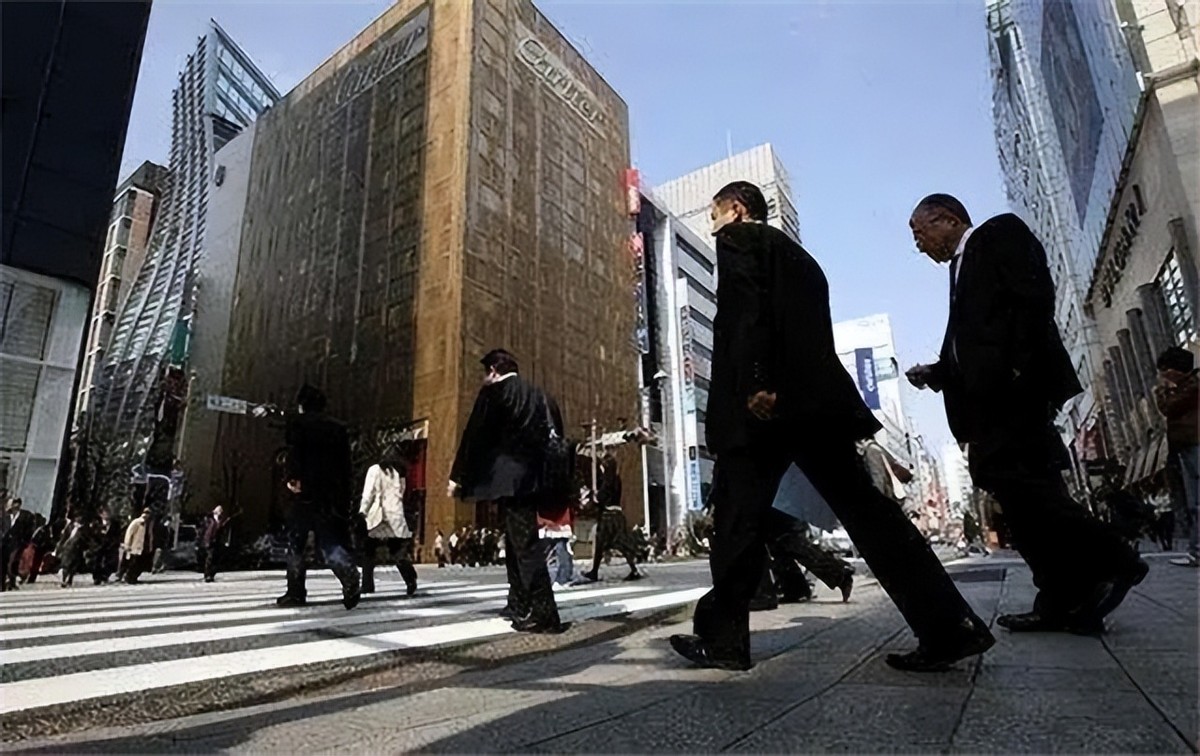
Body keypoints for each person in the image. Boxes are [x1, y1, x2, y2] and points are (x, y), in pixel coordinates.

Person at [670, 182, 993, 673]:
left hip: (762, 411)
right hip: (816, 408)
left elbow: (748, 314)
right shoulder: (803, 261)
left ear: (735, 210)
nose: (712, 226)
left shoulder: (739, 240)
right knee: (872, 517)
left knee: (735, 520)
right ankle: (950, 626)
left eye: (713, 215)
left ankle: (723, 641)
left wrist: (757, 380)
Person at [905, 193, 1147, 633]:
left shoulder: (998, 233)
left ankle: (1115, 558)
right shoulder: (960, 269)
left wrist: (1017, 371)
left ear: (947, 219)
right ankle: (1063, 598)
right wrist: (937, 372)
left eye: (920, 233)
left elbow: (1034, 302)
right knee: (1020, 503)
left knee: (1026, 491)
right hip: (990, 403)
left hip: (1014, 397)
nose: (919, 246)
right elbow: (975, 342)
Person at [449, 348, 567, 634]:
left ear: (493, 370)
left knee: (525, 546)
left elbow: (474, 435)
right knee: (516, 542)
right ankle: (518, 601)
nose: (484, 378)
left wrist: (458, 477)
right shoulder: (537, 393)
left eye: (485, 373)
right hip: (533, 478)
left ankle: (545, 613)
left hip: (506, 479)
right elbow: (554, 433)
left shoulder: (494, 393)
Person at [278, 384, 361, 609]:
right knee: (329, 541)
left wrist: (292, 478)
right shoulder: (339, 428)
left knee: (296, 544)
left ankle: (295, 592)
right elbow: (346, 468)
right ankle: (346, 569)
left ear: (302, 404)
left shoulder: (298, 423)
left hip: (304, 493)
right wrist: (346, 497)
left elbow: (294, 453)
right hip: (332, 495)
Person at [1153, 346, 1198, 567]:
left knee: (1197, 501)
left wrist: (1162, 391)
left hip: (1194, 443)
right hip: (1187, 445)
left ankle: (1197, 551)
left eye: (1164, 371)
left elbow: (1168, 408)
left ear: (1174, 370)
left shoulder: (1192, 387)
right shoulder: (1186, 387)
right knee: (1194, 501)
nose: (1162, 376)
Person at [358, 444, 418, 596]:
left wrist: (362, 511)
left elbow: (368, 493)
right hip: (395, 515)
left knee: (368, 550)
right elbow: (401, 495)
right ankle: (410, 578)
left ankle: (367, 584)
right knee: (396, 550)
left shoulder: (375, 470)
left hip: (378, 515)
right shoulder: (400, 474)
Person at [582, 454, 642, 582]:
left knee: (600, 544)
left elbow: (601, 498)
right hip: (618, 515)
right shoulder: (617, 479)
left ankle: (594, 572)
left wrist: (594, 496)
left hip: (608, 517)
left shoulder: (607, 481)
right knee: (622, 544)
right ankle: (634, 569)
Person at [1, 497, 36, 591]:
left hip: (18, 543)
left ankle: (12, 581)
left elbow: (30, 529)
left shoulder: (25, 516)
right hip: (5, 544)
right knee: (3, 564)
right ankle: (3, 585)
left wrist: (25, 540)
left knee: (11, 562)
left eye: (14, 503)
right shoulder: (5, 518)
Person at [199, 505, 234, 582]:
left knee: (216, 559)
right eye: (219, 511)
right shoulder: (209, 519)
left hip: (218, 542)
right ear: (215, 511)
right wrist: (202, 539)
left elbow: (224, 532)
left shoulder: (222, 521)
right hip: (209, 541)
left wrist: (226, 541)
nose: (221, 512)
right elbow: (203, 530)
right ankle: (207, 575)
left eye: (221, 511)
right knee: (210, 558)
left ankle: (211, 575)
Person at [88, 507, 122, 584]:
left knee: (111, 562)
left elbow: (117, 534)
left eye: (108, 513)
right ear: (101, 514)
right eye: (105, 513)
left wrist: (115, 543)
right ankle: (97, 578)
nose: (107, 515)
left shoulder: (115, 523)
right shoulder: (96, 523)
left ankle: (105, 576)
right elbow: (92, 534)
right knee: (96, 562)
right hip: (98, 545)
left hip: (110, 546)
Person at [121, 508, 156, 584]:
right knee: (134, 563)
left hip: (145, 547)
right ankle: (129, 577)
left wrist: (150, 546)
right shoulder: (137, 522)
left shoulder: (149, 524)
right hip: (136, 546)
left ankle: (134, 577)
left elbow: (150, 536)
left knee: (141, 564)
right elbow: (129, 533)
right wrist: (127, 544)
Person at [56, 513, 90, 588]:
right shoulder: (70, 527)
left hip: (76, 550)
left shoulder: (83, 530)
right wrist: (60, 547)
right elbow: (64, 537)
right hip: (67, 549)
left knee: (73, 567)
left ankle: (70, 580)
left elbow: (86, 540)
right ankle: (63, 580)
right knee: (65, 565)